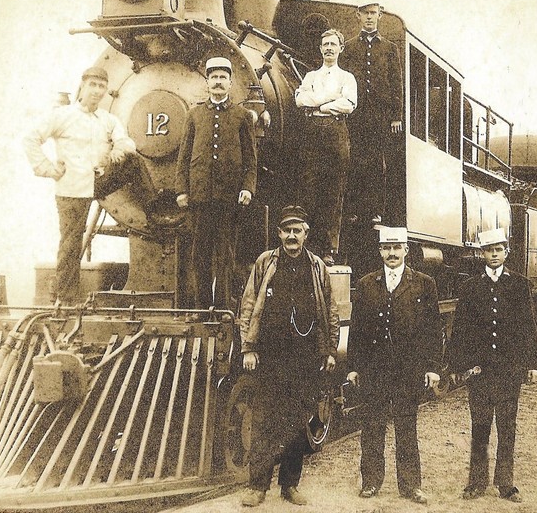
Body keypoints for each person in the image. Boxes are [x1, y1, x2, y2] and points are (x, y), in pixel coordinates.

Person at [238, 205, 340, 507]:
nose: (292, 236)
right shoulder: (265, 262)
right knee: (264, 419)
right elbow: (248, 304)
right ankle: (258, 486)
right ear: (279, 233)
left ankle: (290, 485)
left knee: (298, 421)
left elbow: (330, 310)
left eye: (298, 230)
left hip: (305, 355)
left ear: (306, 234)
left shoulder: (318, 266)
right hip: (270, 353)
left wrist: (329, 350)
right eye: (287, 230)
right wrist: (249, 347)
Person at [24, 66, 139, 304]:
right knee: (71, 243)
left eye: (101, 86)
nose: (97, 91)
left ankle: (155, 208)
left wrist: (118, 148)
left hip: (97, 184)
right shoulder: (62, 116)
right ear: (82, 86)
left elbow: (127, 143)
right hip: (71, 189)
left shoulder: (107, 119)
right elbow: (31, 139)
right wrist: (47, 169)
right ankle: (66, 299)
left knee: (133, 161)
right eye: (93, 85)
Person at [345, 226, 442, 505]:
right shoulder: (366, 284)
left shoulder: (424, 283)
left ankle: (411, 486)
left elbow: (433, 330)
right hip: (374, 370)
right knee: (372, 426)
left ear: (406, 250)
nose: (391, 253)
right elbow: (358, 330)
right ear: (379, 251)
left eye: (396, 247)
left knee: (406, 427)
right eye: (386, 248)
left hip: (407, 370)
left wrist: (433, 367)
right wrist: (353, 366)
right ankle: (371, 482)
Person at [447, 227, 537, 503]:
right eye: (489, 250)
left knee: (507, 427)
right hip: (480, 373)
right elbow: (460, 329)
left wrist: (532, 364)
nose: (494, 254)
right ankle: (476, 482)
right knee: (480, 427)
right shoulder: (470, 287)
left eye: (499, 250)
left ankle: (506, 484)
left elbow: (528, 328)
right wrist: (456, 366)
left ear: (506, 252)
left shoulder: (520, 285)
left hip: (509, 373)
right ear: (482, 254)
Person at [175, 57, 257, 308]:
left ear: (230, 83)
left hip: (229, 195)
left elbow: (250, 159)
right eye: (214, 77)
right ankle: (201, 306)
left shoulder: (242, 116)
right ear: (207, 82)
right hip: (200, 195)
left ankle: (222, 306)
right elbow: (184, 155)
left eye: (223, 78)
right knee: (200, 253)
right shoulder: (195, 114)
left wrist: (247, 187)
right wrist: (182, 190)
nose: (218, 82)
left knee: (225, 253)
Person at [295, 28, 357, 265]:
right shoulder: (310, 76)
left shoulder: (347, 78)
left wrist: (316, 103)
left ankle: (329, 248)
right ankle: (306, 245)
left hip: (335, 133)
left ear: (341, 48)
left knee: (333, 192)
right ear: (320, 49)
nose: (329, 48)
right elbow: (300, 99)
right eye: (325, 44)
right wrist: (329, 100)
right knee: (308, 188)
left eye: (333, 44)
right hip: (312, 133)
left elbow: (349, 104)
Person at [341, 2, 403, 225]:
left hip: (380, 115)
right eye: (365, 13)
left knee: (377, 162)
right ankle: (354, 209)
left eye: (373, 14)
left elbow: (396, 83)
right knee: (355, 160)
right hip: (356, 113)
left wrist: (396, 115)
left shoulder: (389, 48)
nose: (369, 17)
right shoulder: (348, 47)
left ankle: (375, 209)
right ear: (358, 16)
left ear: (379, 16)